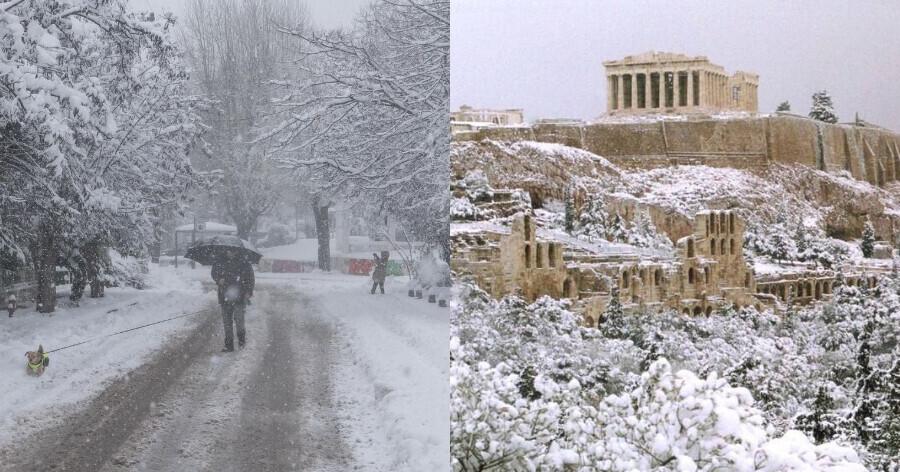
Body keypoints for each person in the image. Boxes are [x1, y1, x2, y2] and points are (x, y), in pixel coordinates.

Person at [211, 249, 254, 352]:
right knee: (227, 322)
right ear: (226, 251)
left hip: (240, 296)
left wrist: (248, 292)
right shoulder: (219, 261)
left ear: (237, 251)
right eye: (229, 251)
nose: (231, 253)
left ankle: (241, 342)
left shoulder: (244, 263)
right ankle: (229, 345)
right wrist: (218, 279)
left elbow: (250, 278)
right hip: (224, 296)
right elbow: (214, 273)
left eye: (233, 251)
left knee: (239, 320)